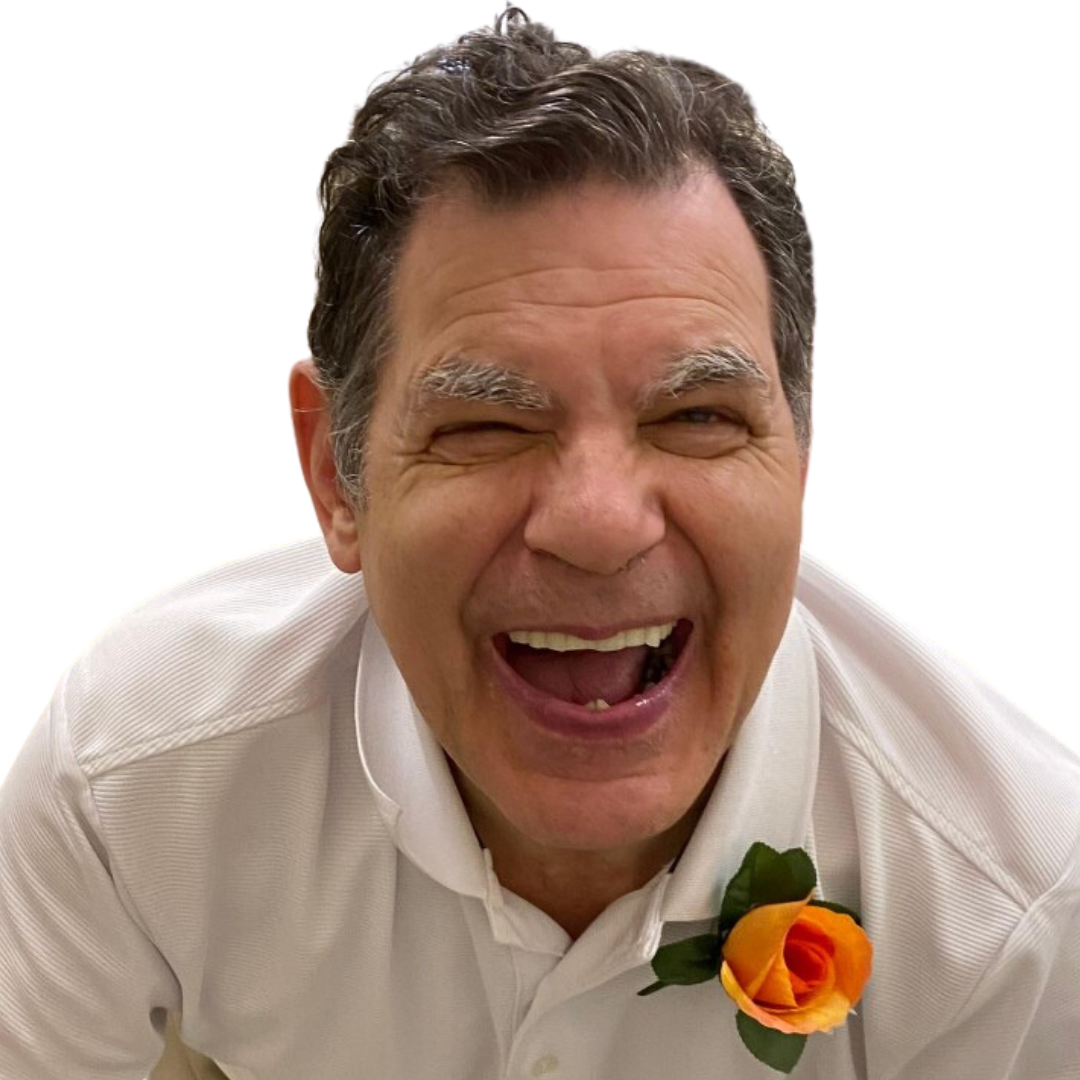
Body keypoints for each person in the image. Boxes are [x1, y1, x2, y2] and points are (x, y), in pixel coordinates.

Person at [1, 10, 1077, 1079]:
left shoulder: (1013, 908)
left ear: (798, 452)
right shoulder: (131, 781)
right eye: (487, 427)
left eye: (697, 417)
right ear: (338, 475)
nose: (601, 528)